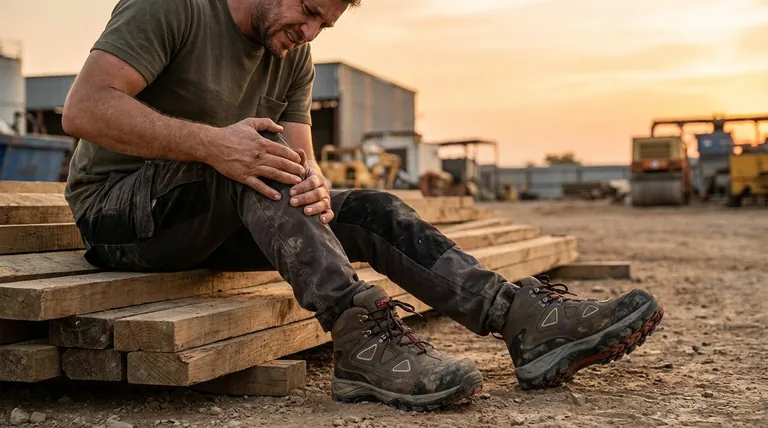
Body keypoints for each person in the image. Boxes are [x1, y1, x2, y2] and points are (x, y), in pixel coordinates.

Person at [61, 0, 664, 411]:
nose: (312, 30)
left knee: (366, 204)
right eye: (308, 9)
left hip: (218, 212)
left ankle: (523, 322)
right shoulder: (173, 7)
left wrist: (317, 186)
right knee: (262, 163)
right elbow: (82, 109)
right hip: (122, 214)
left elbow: (303, 165)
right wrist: (217, 146)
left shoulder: (293, 55)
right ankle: (362, 346)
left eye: (327, 20)